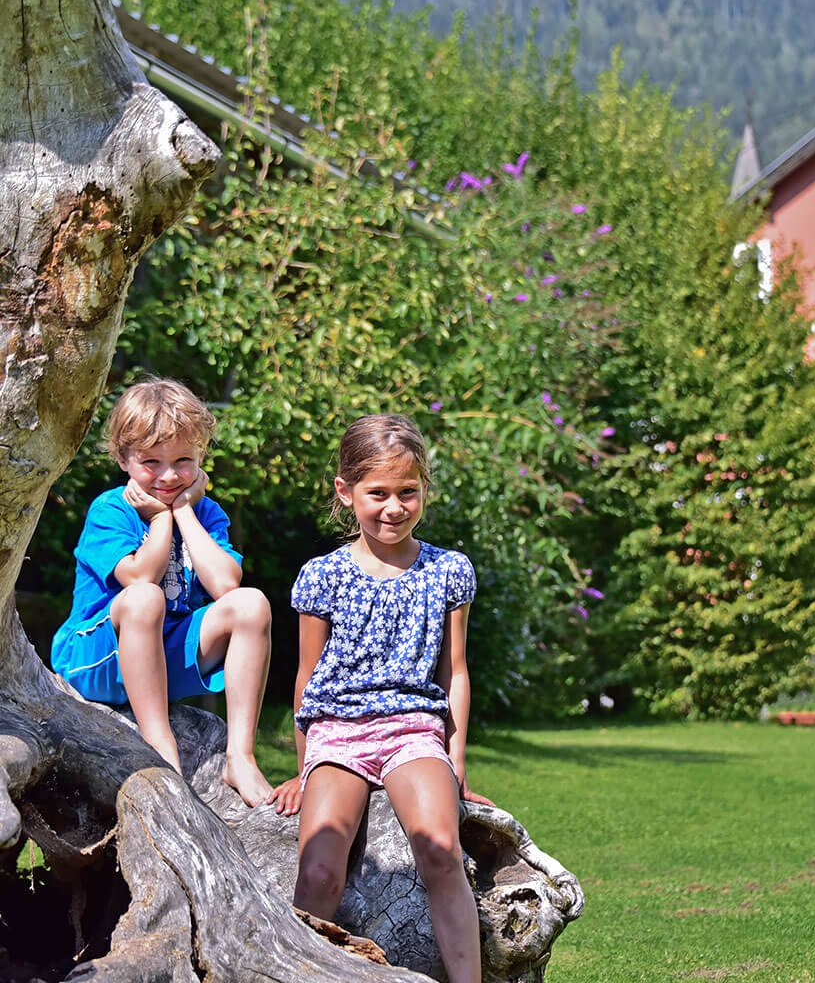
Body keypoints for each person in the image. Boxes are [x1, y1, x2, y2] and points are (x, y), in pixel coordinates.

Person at [269, 414, 490, 983]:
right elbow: (307, 677)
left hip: (415, 728)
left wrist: (454, 761)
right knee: (319, 871)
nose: (394, 507)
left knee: (441, 849)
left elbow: (455, 672)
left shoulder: (448, 571)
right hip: (337, 733)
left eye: (408, 492)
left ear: (423, 492)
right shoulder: (322, 575)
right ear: (345, 493)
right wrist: (304, 767)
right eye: (378, 494)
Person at [51, 378, 273, 807]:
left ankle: (240, 755)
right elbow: (141, 576)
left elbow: (226, 584)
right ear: (123, 458)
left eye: (183, 460)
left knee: (252, 604)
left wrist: (185, 510)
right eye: (151, 461)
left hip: (160, 660)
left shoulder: (206, 512)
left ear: (202, 457)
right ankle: (158, 744)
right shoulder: (111, 509)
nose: (169, 475)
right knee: (145, 597)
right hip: (95, 658)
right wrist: (157, 519)